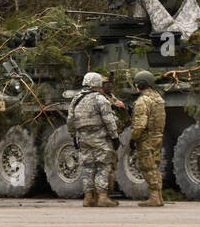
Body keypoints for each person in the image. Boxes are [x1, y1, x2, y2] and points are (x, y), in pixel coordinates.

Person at [68, 72, 119, 208]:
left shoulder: (76, 99)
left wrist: (73, 136)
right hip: (100, 138)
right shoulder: (100, 99)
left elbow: (70, 120)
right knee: (103, 165)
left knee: (87, 166)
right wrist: (115, 137)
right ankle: (102, 197)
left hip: (83, 138)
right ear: (97, 84)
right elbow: (109, 119)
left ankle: (88, 197)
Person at [130, 71, 166, 207]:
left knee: (147, 167)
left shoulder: (142, 101)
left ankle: (154, 197)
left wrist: (133, 137)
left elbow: (140, 125)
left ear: (140, 84)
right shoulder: (158, 99)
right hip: (157, 136)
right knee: (154, 166)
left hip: (146, 139)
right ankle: (159, 196)